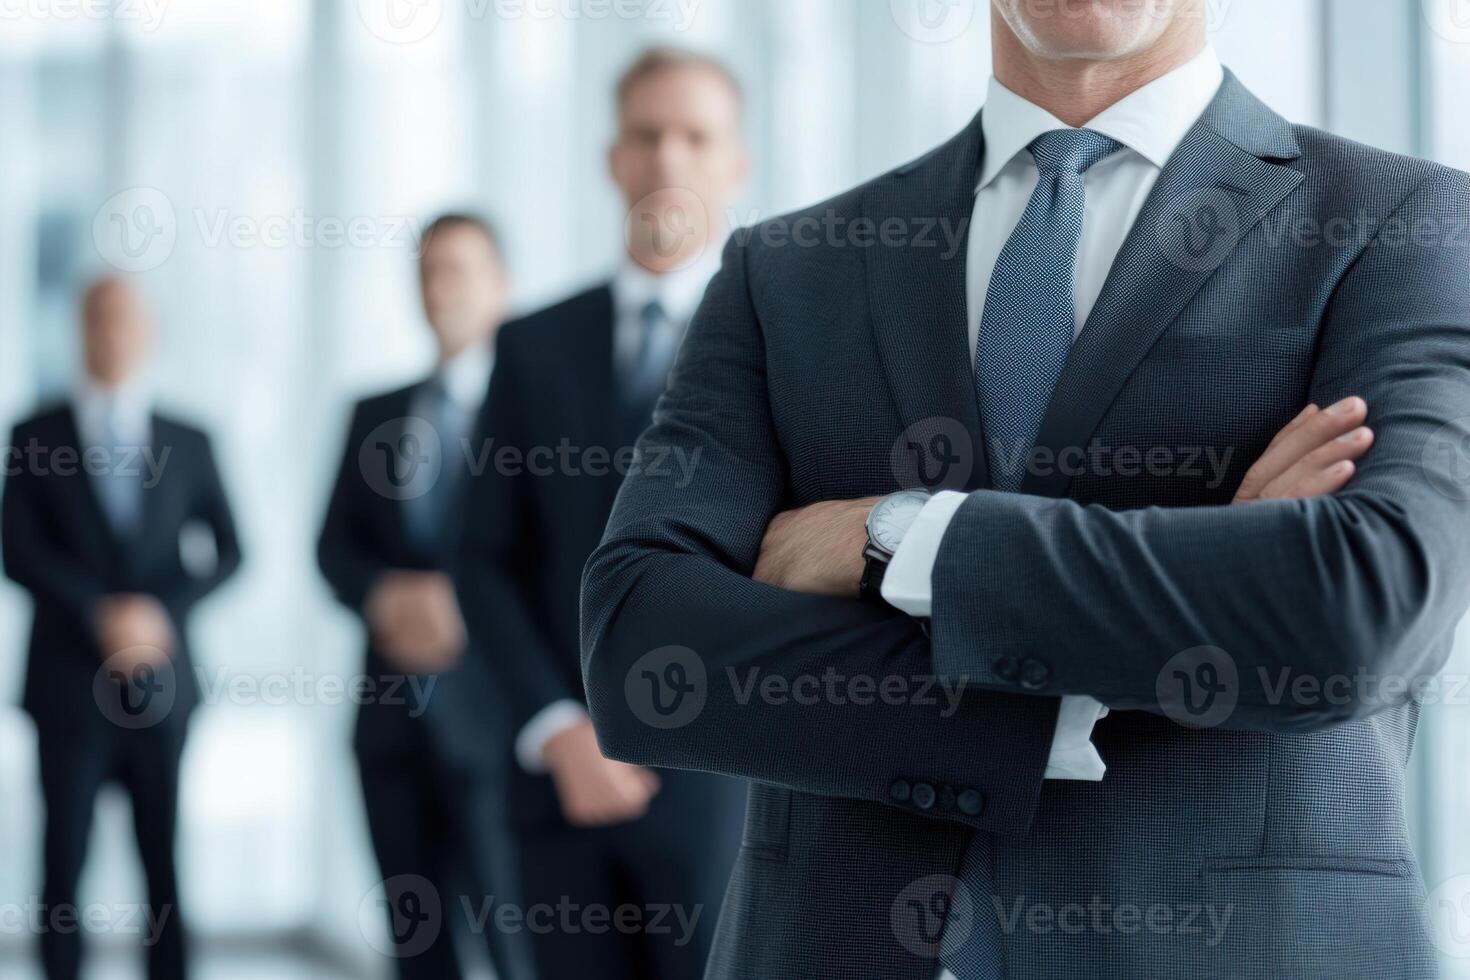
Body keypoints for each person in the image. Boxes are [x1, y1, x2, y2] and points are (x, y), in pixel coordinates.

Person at [579, 2, 1470, 978]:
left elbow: (1364, 598)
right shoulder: (785, 269)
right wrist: (1200, 587)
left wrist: (903, 539)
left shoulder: (1402, 222)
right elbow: (642, 647)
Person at [455, 48, 750, 980]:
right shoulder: (530, 345)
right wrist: (558, 726)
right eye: (646, 134)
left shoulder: (786, 341)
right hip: (557, 786)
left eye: (695, 136)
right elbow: (483, 556)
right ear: (612, 158)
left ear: (735, 162)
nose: (668, 157)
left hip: (724, 789)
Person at [2, 277, 242, 980]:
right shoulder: (34, 435)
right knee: (63, 860)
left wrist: (159, 611)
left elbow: (231, 550)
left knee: (162, 858)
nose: (112, 333)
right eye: (99, 319)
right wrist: (97, 612)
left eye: (126, 319)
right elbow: (16, 549)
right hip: (69, 682)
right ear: (79, 330)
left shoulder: (190, 439)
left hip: (161, 684)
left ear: (149, 332)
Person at [317, 214, 530, 980]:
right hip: (391, 721)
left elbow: (559, 556)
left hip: (501, 724)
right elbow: (332, 549)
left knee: (516, 942)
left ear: (501, 287)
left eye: (460, 270)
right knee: (416, 945)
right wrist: (384, 597)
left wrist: (462, 607)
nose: (441, 288)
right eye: (428, 271)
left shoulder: (536, 415)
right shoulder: (374, 414)